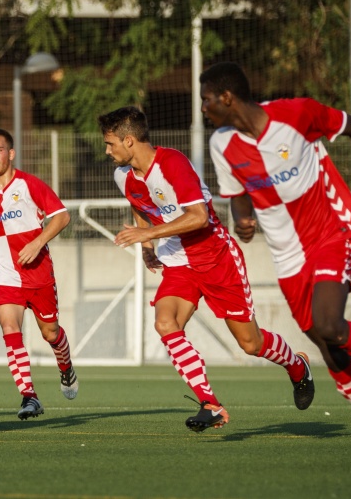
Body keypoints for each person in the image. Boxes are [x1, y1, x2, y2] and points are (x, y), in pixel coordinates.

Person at [99, 106, 314, 431]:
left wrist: (148, 234)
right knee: (165, 322)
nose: (106, 150)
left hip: (215, 259)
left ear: (129, 141)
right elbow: (139, 204)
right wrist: (147, 248)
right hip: (178, 264)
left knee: (250, 344)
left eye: (110, 142)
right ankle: (209, 403)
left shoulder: (172, 164)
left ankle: (298, 366)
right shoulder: (122, 176)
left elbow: (199, 217)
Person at [200, 62, 351, 409]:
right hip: (287, 257)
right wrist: (243, 221)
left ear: (227, 98)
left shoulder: (298, 114)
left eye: (206, 99)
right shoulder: (221, 144)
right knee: (327, 346)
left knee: (330, 325)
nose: (203, 108)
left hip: (331, 232)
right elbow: (238, 197)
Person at [0, 128, 78, 420]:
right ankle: (29, 396)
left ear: (11, 153)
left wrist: (38, 241)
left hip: (38, 274)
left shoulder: (30, 185)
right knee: (10, 330)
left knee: (51, 333)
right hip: (5, 276)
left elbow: (62, 216)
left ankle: (66, 367)